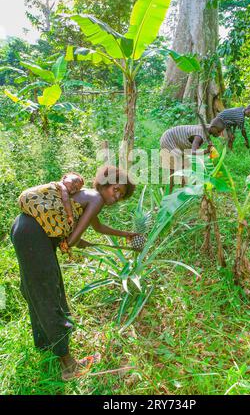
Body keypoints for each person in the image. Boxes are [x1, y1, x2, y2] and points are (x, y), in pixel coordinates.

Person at [10, 165, 137, 381]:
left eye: (120, 195)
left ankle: (45, 344)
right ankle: (68, 365)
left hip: (25, 228)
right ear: (105, 184)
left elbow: (97, 227)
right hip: (34, 235)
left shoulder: (88, 196)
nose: (116, 197)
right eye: (115, 189)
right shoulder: (95, 198)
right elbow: (71, 240)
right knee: (47, 293)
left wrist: (126, 234)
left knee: (41, 289)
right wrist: (78, 242)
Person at [160, 122, 224, 192]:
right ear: (213, 128)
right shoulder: (199, 136)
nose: (220, 134)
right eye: (218, 131)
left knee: (184, 168)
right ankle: (168, 192)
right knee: (174, 168)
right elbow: (192, 152)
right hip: (169, 140)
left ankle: (183, 191)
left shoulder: (207, 129)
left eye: (221, 132)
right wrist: (206, 151)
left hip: (179, 143)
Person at [18, 172, 85, 237]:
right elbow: (66, 200)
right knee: (50, 211)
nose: (74, 186)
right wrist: (70, 215)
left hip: (25, 201)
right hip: (31, 197)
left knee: (50, 213)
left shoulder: (56, 197)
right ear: (64, 178)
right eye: (73, 182)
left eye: (76, 189)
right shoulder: (61, 186)